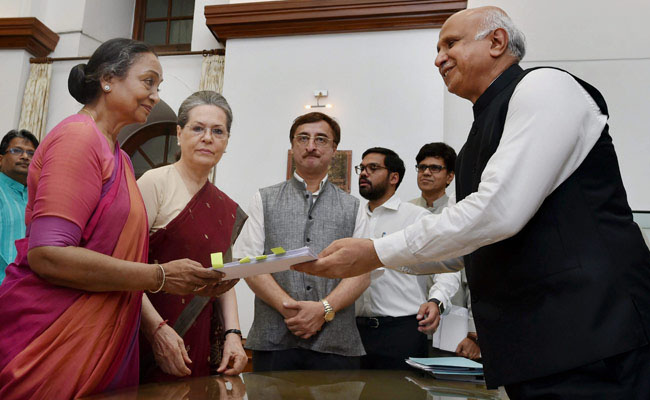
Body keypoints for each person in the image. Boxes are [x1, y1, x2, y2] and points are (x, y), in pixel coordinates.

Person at [295, 7, 650, 398]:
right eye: (437, 48)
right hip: (537, 347)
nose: (438, 57)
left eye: (451, 43)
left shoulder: (546, 86)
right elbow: (476, 246)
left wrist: (377, 251)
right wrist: (373, 257)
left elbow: (497, 213)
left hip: (597, 336)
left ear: (497, 42)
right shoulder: (476, 136)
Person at [0, 39, 226, 399]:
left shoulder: (117, 156)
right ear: (107, 79)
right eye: (148, 81)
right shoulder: (78, 138)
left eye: (158, 86)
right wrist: (161, 276)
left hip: (107, 332)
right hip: (55, 337)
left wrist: (157, 322)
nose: (154, 95)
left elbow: (120, 256)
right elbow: (48, 254)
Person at [233, 112, 370, 371]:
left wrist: (323, 309)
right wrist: (290, 310)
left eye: (321, 139)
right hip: (274, 341)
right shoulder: (264, 199)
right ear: (292, 146)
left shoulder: (354, 207)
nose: (311, 146)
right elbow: (248, 262)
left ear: (334, 149)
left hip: (336, 344)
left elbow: (362, 273)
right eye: (303, 138)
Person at [137, 91, 247, 381]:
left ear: (226, 141)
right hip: (147, 328)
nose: (207, 137)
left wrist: (233, 334)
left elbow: (222, 276)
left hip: (199, 334)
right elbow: (125, 263)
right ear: (179, 133)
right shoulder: (154, 183)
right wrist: (156, 330)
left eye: (217, 131)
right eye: (198, 128)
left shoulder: (224, 205)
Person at [353, 147, 460, 369]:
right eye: (362, 168)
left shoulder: (416, 217)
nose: (364, 173)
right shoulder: (353, 217)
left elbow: (448, 268)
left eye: (373, 168)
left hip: (401, 332)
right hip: (354, 331)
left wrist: (436, 300)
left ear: (394, 177)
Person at [410, 142, 481, 360]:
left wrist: (474, 333)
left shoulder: (461, 211)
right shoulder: (407, 211)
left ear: (450, 176)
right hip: (410, 326)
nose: (426, 173)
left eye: (435, 168)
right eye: (422, 168)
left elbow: (474, 276)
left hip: (454, 327)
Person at [0, 130, 39, 282]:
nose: (25, 157)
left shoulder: (39, 198)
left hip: (31, 291)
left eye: (31, 154)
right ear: (1, 159)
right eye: (17, 151)